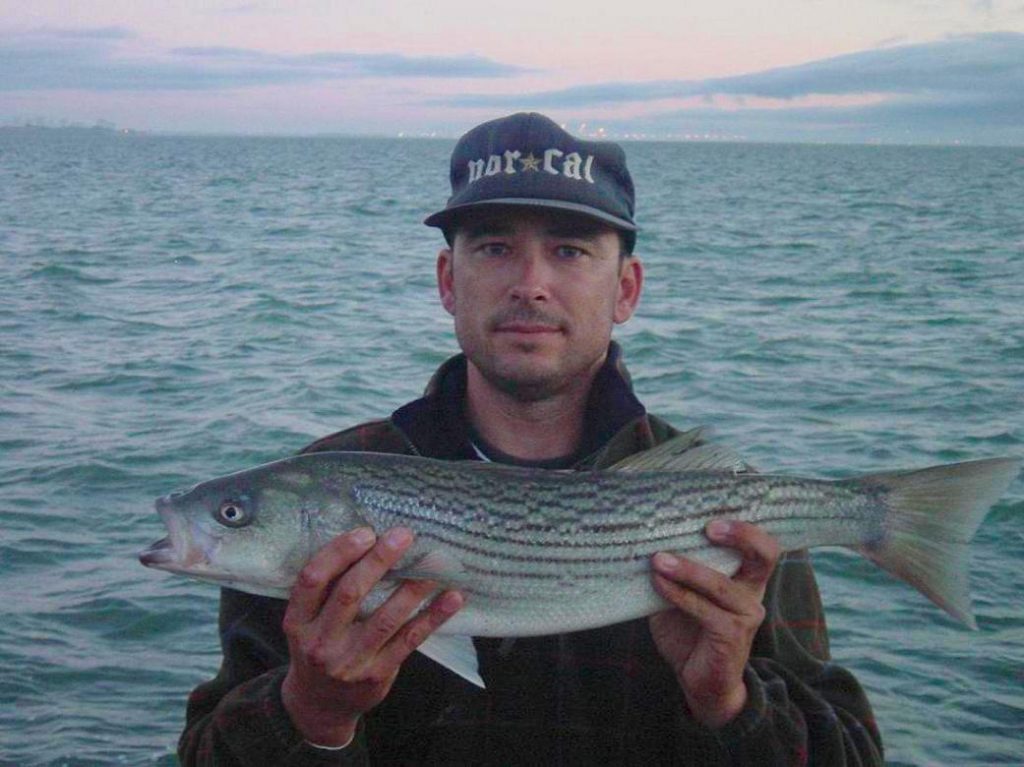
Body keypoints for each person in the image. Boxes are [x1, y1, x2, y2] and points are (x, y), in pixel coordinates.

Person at [178, 112, 883, 765]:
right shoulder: (318, 488)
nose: (531, 284)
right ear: (448, 280)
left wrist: (732, 703)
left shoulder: (721, 510)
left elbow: (855, 752)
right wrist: (310, 712)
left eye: (570, 250)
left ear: (626, 290)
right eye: (494, 247)